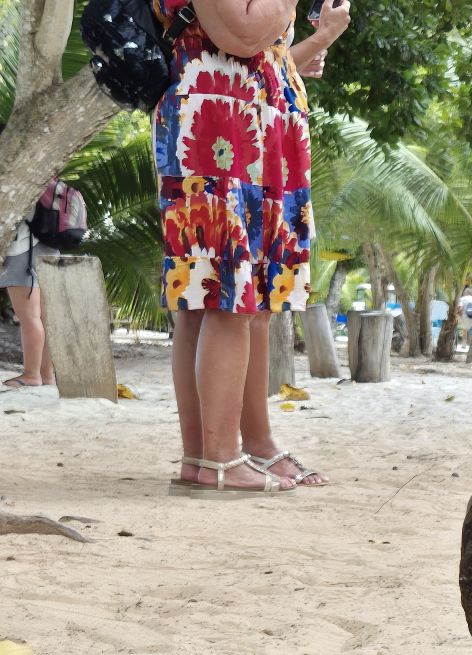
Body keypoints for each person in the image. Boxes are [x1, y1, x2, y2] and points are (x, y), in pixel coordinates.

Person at [157, 0, 324, 491]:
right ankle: (219, 457)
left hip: (252, 114)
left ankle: (228, 452)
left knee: (232, 295)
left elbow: (256, 43)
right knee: (222, 292)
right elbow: (242, 32)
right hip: (218, 115)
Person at [235, 0, 352, 488]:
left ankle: (242, 445)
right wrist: (320, 37)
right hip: (246, 133)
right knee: (246, 305)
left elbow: (266, 63)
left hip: (266, 129)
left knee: (257, 306)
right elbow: (241, 41)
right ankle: (246, 447)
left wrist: (306, 47)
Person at [1, 167, 60, 390]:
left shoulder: (15, 169)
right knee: (45, 317)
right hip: (49, 245)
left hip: (21, 250)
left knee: (30, 317)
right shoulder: (45, 170)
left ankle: (31, 374)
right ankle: (47, 375)